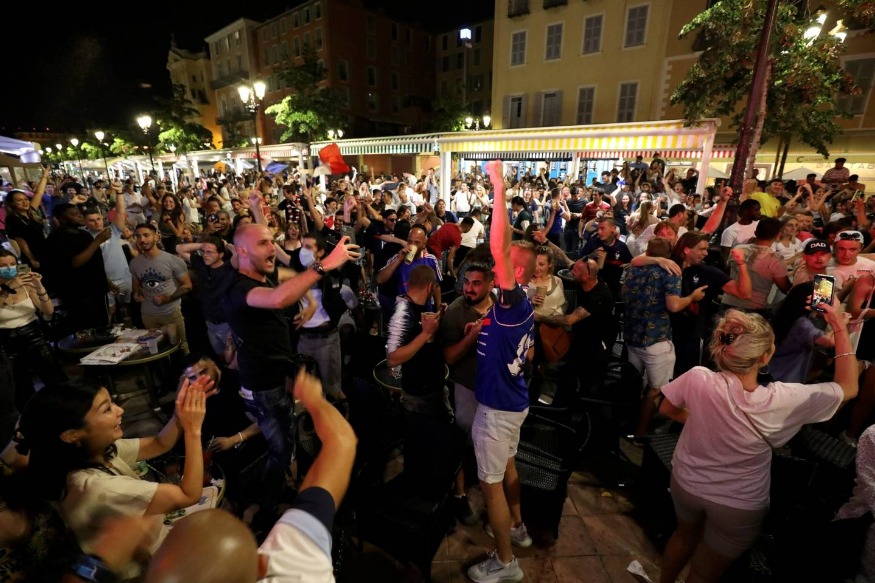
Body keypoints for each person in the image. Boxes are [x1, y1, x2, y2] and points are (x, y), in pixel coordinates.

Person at [657, 305, 858, 583]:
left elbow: (666, 409)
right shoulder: (785, 399)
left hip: (686, 483)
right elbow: (849, 387)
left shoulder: (698, 377)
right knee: (702, 573)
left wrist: (705, 422)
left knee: (682, 536)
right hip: (737, 503)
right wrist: (839, 326)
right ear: (764, 357)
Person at [226, 223, 358, 534]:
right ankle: (267, 510)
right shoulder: (240, 288)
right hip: (264, 385)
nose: (272, 247)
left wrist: (310, 302)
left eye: (272, 240)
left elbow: (293, 280)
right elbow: (277, 299)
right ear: (242, 251)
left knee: (285, 439)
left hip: (279, 376)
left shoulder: (265, 274)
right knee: (280, 449)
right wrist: (325, 265)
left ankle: (281, 486)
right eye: (263, 243)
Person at [17, 374, 214, 577]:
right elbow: (188, 495)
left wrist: (179, 414)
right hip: (147, 570)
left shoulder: (88, 453)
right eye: (107, 409)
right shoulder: (95, 487)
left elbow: (159, 443)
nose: (120, 410)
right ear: (72, 434)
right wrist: (193, 430)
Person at [467, 160, 536, 583]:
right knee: (509, 467)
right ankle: (518, 526)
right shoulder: (515, 310)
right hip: (514, 403)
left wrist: (497, 186)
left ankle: (506, 563)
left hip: (496, 411)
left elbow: (498, 245)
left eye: (505, 263)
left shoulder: (514, 303)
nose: (497, 267)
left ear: (517, 271)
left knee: (489, 483)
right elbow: (527, 353)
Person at [0, 249, 65, 412]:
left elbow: (48, 310)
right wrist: (7, 289)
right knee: (21, 390)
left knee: (56, 380)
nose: (9, 268)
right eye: (3, 265)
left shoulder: (25, 285)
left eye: (12, 264)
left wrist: (39, 287)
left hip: (34, 336)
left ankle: (66, 413)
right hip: (6, 343)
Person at [44, 203, 112, 330]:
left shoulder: (84, 234)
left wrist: (107, 281)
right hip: (80, 293)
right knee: (89, 328)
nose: (80, 216)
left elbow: (95, 261)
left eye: (79, 213)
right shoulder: (57, 238)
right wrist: (97, 241)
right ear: (62, 219)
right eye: (74, 214)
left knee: (104, 325)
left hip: (97, 289)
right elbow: (75, 262)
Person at [130, 223, 193, 354]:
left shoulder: (172, 260)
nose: (142, 240)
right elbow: (136, 285)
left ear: (156, 237)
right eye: (138, 236)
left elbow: (187, 286)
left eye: (146, 235)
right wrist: (137, 293)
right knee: (155, 350)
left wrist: (168, 298)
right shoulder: (135, 263)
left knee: (180, 347)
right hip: (148, 314)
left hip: (170, 313)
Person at [768, 282, 835, 383]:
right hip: (785, 378)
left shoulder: (787, 313)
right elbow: (830, 341)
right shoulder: (803, 325)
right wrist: (839, 322)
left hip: (773, 371)